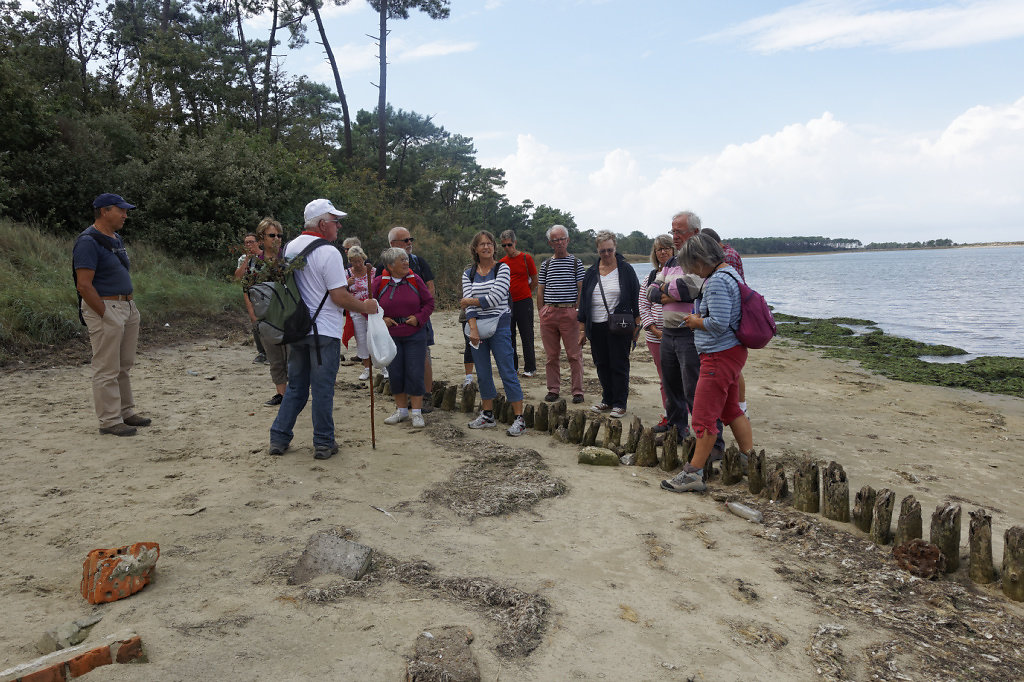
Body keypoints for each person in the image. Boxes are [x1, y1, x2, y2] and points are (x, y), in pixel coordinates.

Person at [269, 199, 378, 460]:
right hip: (324, 331)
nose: (338, 226)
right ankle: (323, 443)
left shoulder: (289, 248)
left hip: (296, 328)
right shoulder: (329, 252)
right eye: (334, 221)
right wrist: (366, 307)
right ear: (321, 224)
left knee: (296, 387)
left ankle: (278, 438)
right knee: (322, 389)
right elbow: (339, 297)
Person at [661, 233, 755, 493]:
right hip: (731, 352)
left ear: (701, 260)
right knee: (730, 409)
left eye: (692, 266)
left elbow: (718, 323)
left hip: (718, 355)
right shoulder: (730, 274)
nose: (692, 271)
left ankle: (693, 473)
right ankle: (750, 460)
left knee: (703, 416)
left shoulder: (716, 282)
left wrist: (694, 321)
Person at [73, 193, 151, 436]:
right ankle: (109, 420)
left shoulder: (116, 238)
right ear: (105, 211)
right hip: (108, 308)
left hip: (126, 307)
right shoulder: (88, 241)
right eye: (121, 210)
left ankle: (125, 412)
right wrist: (105, 313)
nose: (125, 215)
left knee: (124, 364)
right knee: (107, 366)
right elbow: (83, 284)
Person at [649, 211, 724, 457]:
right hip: (669, 333)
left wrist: (667, 291)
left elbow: (691, 288)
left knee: (696, 389)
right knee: (671, 387)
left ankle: (712, 444)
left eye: (678, 231)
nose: (675, 237)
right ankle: (677, 430)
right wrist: (671, 292)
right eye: (673, 231)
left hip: (690, 333)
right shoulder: (672, 261)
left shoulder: (699, 258)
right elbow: (652, 290)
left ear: (694, 232)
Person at [461, 231, 527, 436]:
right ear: (475, 249)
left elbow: (496, 298)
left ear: (494, 247)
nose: (486, 247)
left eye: (489, 243)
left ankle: (519, 419)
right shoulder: (468, 273)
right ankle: (487, 414)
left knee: (507, 369)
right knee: (482, 372)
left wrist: (470, 301)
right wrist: (472, 328)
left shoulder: (502, 268)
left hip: (500, 323)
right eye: (482, 244)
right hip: (477, 327)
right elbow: (468, 308)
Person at [577, 231, 640, 419]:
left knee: (619, 364)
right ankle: (607, 399)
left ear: (615, 248)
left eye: (609, 250)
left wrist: (637, 325)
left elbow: (636, 297)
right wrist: (581, 329)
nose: (606, 254)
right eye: (602, 251)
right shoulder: (591, 272)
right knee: (601, 364)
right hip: (595, 326)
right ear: (597, 250)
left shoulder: (625, 270)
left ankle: (620, 403)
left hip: (619, 325)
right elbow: (583, 302)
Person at [374, 248, 435, 429]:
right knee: (396, 373)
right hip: (391, 336)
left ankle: (416, 413)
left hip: (415, 334)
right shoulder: (379, 282)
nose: (406, 263)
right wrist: (381, 319)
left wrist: (419, 318)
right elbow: (368, 307)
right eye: (402, 260)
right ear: (390, 265)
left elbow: (429, 302)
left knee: (415, 372)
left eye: (406, 259)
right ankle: (401, 411)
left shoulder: (415, 280)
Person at [536, 225, 586, 404]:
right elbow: (540, 289)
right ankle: (553, 389)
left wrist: (578, 312)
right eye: (555, 240)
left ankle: (577, 391)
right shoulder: (546, 264)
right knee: (551, 356)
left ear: (568, 240)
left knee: (574, 355)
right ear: (550, 243)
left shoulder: (576, 263)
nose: (559, 242)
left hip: (570, 312)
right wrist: (542, 311)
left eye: (562, 239)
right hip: (549, 312)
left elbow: (582, 289)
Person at [388, 226, 435, 412]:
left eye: (410, 239)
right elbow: (374, 295)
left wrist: (421, 314)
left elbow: (430, 289)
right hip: (393, 324)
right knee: (397, 361)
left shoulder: (419, 262)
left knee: (423, 356)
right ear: (393, 244)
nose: (410, 243)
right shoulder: (384, 265)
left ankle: (427, 396)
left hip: (420, 319)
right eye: (405, 240)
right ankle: (404, 401)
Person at [701, 228, 746, 413]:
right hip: (731, 327)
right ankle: (738, 406)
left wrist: (697, 322)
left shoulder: (725, 262)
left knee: (733, 372)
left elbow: (720, 320)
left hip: (726, 336)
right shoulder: (726, 258)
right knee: (734, 371)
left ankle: (741, 405)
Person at [638, 234, 674, 432]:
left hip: (679, 335)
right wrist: (653, 329)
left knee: (685, 378)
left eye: (667, 248)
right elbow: (643, 306)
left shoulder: (681, 274)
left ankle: (684, 418)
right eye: (659, 249)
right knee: (665, 379)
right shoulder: (650, 278)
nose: (663, 252)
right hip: (655, 337)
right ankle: (669, 417)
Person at [251, 218, 288, 406]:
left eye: (279, 235)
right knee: (275, 359)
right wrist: (255, 318)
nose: (277, 239)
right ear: (262, 237)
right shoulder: (255, 263)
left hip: (288, 317)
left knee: (292, 358)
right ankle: (281, 394)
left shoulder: (288, 260)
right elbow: (247, 290)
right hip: (266, 319)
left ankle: (294, 394)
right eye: (272, 235)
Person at [498, 230, 538, 377]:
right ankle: (513, 367)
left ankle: (530, 368)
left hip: (524, 302)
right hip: (507, 304)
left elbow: (534, 280)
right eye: (504, 245)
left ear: (515, 243)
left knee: (527, 335)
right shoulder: (502, 263)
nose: (507, 248)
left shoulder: (526, 258)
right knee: (509, 336)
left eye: (509, 244)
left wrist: (526, 292)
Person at [344, 246, 376, 382]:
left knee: (375, 337)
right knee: (361, 339)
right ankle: (367, 368)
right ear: (350, 261)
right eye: (354, 262)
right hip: (356, 309)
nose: (357, 264)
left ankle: (382, 366)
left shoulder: (372, 271)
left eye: (359, 261)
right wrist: (346, 284)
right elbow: (339, 291)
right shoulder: (346, 273)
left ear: (364, 258)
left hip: (371, 309)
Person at [236, 232, 266, 363]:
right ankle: (262, 352)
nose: (248, 245)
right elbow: (238, 276)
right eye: (246, 242)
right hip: (252, 295)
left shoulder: (266, 257)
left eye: (251, 242)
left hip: (266, 294)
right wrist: (247, 259)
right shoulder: (243, 259)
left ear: (258, 242)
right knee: (255, 323)